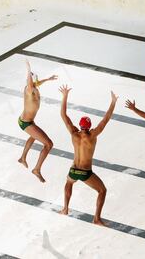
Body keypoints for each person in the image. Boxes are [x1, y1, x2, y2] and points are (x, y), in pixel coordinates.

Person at [58, 84, 118, 226]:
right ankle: (96, 218)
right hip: (85, 172)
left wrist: (65, 95)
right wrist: (113, 102)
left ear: (79, 125)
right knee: (102, 191)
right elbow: (105, 119)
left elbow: (63, 115)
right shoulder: (92, 135)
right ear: (89, 126)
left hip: (74, 170)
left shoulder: (74, 133)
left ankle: (65, 208)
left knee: (69, 182)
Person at [18, 59, 57, 183]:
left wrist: (48, 79)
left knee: (34, 136)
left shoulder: (34, 87)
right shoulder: (29, 90)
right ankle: (37, 169)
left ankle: (23, 158)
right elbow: (31, 83)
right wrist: (28, 69)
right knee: (48, 144)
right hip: (26, 123)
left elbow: (37, 83)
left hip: (26, 120)